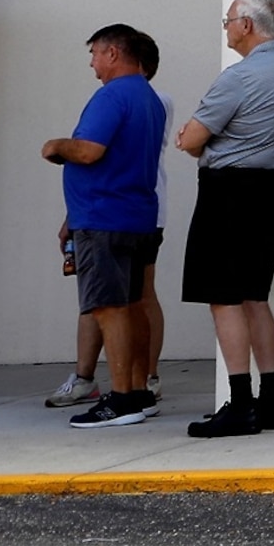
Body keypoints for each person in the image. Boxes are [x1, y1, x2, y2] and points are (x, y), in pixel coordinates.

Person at [176, 0, 274, 438]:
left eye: (229, 20)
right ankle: (270, 401)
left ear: (247, 25)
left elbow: (192, 139)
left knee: (224, 296)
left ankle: (240, 403)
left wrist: (198, 140)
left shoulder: (239, 77)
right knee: (255, 294)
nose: (228, 28)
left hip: (230, 192)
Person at [41, 25, 168, 428]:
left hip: (104, 219)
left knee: (107, 308)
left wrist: (56, 145)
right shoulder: (149, 98)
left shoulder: (112, 95)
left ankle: (121, 398)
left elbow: (90, 151)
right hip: (135, 215)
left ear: (114, 53)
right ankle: (139, 390)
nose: (93, 63)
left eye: (95, 53)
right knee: (131, 305)